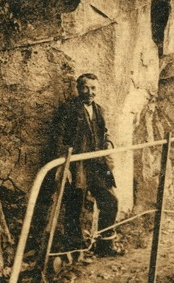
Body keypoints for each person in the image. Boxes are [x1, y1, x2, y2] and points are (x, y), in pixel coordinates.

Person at [49, 73, 123, 257]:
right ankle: (74, 249)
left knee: (110, 201)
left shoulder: (99, 110)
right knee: (75, 206)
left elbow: (104, 133)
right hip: (77, 166)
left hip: (97, 165)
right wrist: (63, 167)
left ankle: (105, 244)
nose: (90, 92)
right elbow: (58, 138)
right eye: (85, 88)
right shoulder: (67, 109)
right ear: (78, 88)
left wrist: (107, 144)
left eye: (93, 88)